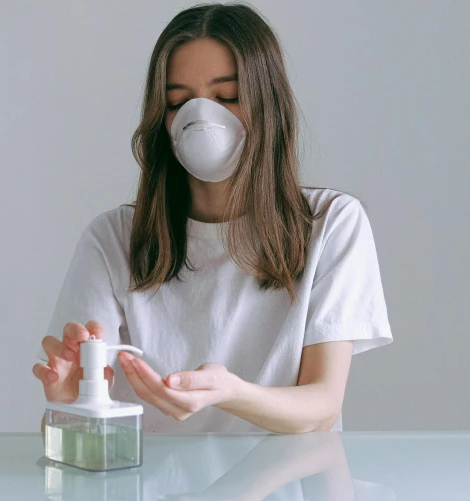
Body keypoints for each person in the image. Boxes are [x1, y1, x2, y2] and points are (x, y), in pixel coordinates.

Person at [33, 2, 392, 434]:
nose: (201, 119)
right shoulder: (114, 238)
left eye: (227, 97)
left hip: (286, 495)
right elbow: (77, 433)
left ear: (268, 105)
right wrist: (71, 405)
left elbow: (322, 404)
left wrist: (231, 393)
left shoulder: (329, 223)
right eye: (178, 101)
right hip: (151, 497)